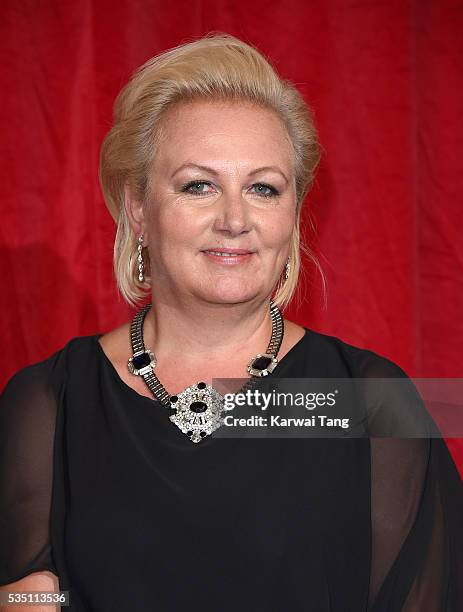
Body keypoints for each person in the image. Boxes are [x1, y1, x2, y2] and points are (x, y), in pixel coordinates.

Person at [0, 32, 462, 612]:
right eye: (199, 185)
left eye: (263, 189)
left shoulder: (372, 401)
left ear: (292, 214)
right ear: (139, 208)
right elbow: (26, 601)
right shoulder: (48, 403)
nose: (235, 219)